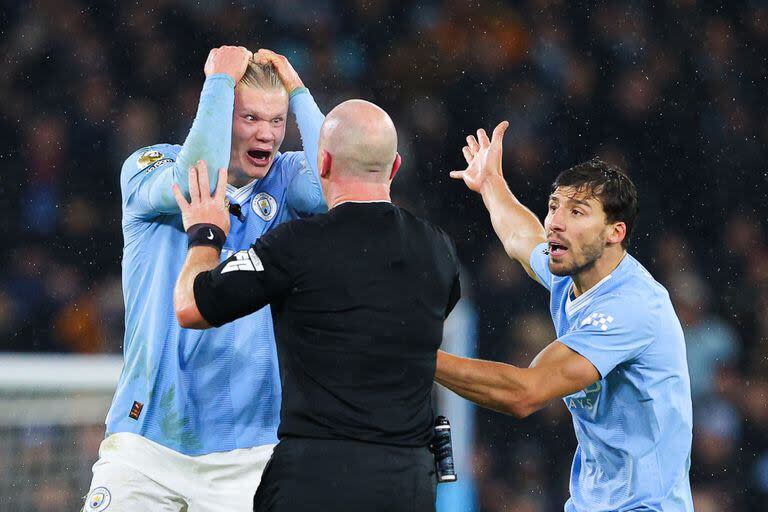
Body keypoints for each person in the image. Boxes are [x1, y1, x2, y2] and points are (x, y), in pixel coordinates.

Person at [172, 99, 461, 512]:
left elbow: (190, 307)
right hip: (407, 480)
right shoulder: (438, 249)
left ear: (321, 162)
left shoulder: (296, 245)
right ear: (395, 166)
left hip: (315, 476)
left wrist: (206, 234)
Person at [83, 46, 326, 512]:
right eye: (251, 117)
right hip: (145, 442)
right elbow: (200, 177)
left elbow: (331, 184)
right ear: (218, 113)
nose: (268, 135)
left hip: (248, 453)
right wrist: (217, 83)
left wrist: (298, 90)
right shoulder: (148, 165)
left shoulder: (285, 179)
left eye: (277, 121)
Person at [436, 122, 694, 511]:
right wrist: (491, 184)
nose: (555, 221)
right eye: (554, 205)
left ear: (614, 232)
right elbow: (522, 239)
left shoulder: (632, 307)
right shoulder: (573, 273)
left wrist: (417, 356)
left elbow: (525, 393)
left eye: (577, 211)